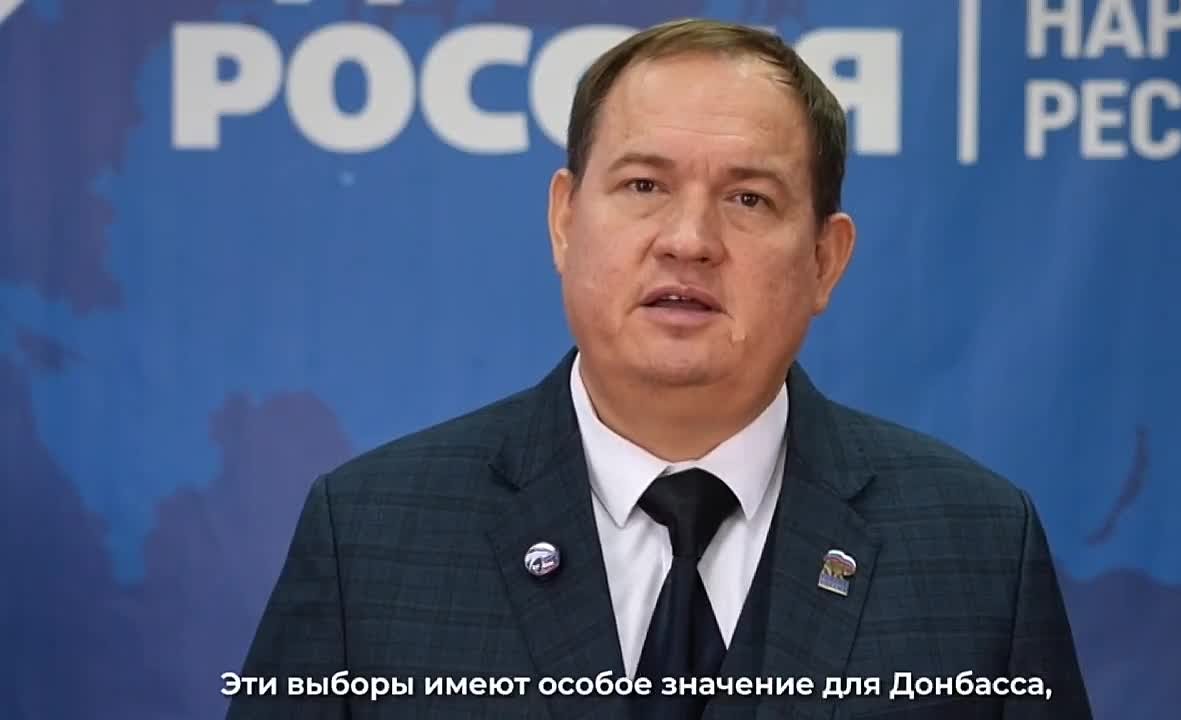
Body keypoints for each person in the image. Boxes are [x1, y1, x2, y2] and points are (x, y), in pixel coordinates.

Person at [226, 17, 1092, 720]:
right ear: (565, 220)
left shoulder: (976, 546)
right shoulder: (371, 535)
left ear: (825, 260)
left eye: (749, 198)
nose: (688, 240)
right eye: (644, 186)